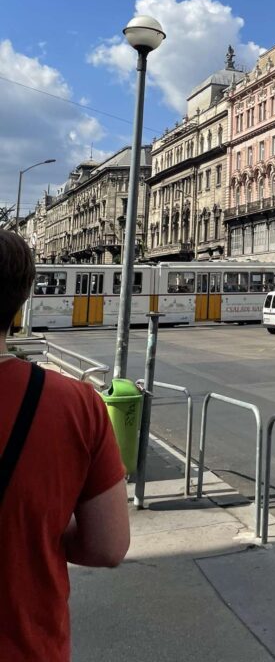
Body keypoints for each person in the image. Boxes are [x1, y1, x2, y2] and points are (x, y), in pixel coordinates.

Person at [0, 231, 129, 662]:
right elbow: (107, 546)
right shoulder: (75, 404)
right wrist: (40, 528)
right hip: (28, 644)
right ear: (19, 305)